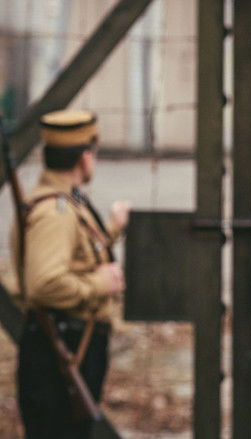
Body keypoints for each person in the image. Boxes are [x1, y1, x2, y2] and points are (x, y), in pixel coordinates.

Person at [11, 109, 128, 438]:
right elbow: (44, 283)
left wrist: (111, 232)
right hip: (61, 350)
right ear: (85, 158)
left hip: (68, 345)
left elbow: (74, 255)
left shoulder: (64, 202)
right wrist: (98, 284)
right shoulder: (56, 212)